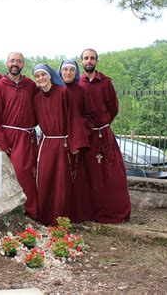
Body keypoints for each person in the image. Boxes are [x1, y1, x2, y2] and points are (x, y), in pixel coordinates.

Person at [79, 48, 131, 223]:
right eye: (86, 58)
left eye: (92, 58)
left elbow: (113, 107)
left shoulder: (106, 82)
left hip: (103, 133)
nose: (89, 61)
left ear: (96, 61)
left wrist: (103, 123)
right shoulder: (78, 83)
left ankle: (113, 211)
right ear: (81, 61)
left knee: (111, 174)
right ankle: (90, 212)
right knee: (89, 175)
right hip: (86, 136)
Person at [0, 52, 39, 219]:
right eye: (12, 61)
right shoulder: (0, 86)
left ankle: (29, 212)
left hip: (26, 136)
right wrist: (1, 143)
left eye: (18, 61)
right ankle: (9, 213)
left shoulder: (30, 85)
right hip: (9, 136)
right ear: (7, 64)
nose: (15, 64)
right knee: (9, 175)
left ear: (23, 65)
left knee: (26, 175)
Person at [57, 59, 93, 223]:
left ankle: (77, 214)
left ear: (76, 73)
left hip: (77, 140)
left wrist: (79, 133)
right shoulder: (56, 89)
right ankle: (59, 212)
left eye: (71, 70)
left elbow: (90, 116)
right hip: (58, 140)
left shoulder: (82, 91)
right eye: (65, 70)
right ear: (60, 72)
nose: (68, 73)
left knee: (76, 178)